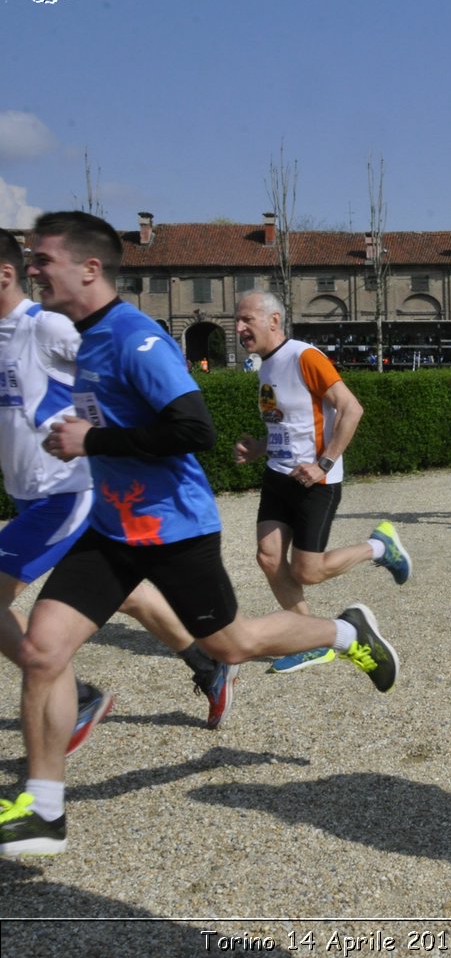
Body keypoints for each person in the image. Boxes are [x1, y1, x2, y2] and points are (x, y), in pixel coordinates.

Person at [0, 211, 399, 859]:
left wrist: (92, 438)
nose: (36, 269)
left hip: (175, 527)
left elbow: (194, 429)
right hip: (110, 526)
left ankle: (348, 631)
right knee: (43, 650)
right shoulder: (72, 336)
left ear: (89, 268)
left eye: (44, 259)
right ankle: (45, 807)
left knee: (235, 643)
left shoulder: (135, 337)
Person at [0, 232, 224, 749]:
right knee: (125, 592)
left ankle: (75, 695)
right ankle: (205, 661)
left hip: (66, 490)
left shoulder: (48, 325)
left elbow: (124, 365)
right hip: (30, 491)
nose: (38, 272)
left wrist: (107, 439)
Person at [232, 290, 413, 674]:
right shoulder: (264, 365)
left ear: (274, 321)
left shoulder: (305, 356)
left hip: (316, 482)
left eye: (247, 319)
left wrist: (323, 463)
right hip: (279, 476)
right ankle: (314, 640)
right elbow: (289, 425)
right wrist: (259, 448)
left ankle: (378, 547)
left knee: (307, 572)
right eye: (238, 320)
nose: (239, 328)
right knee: (268, 558)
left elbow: (351, 408)